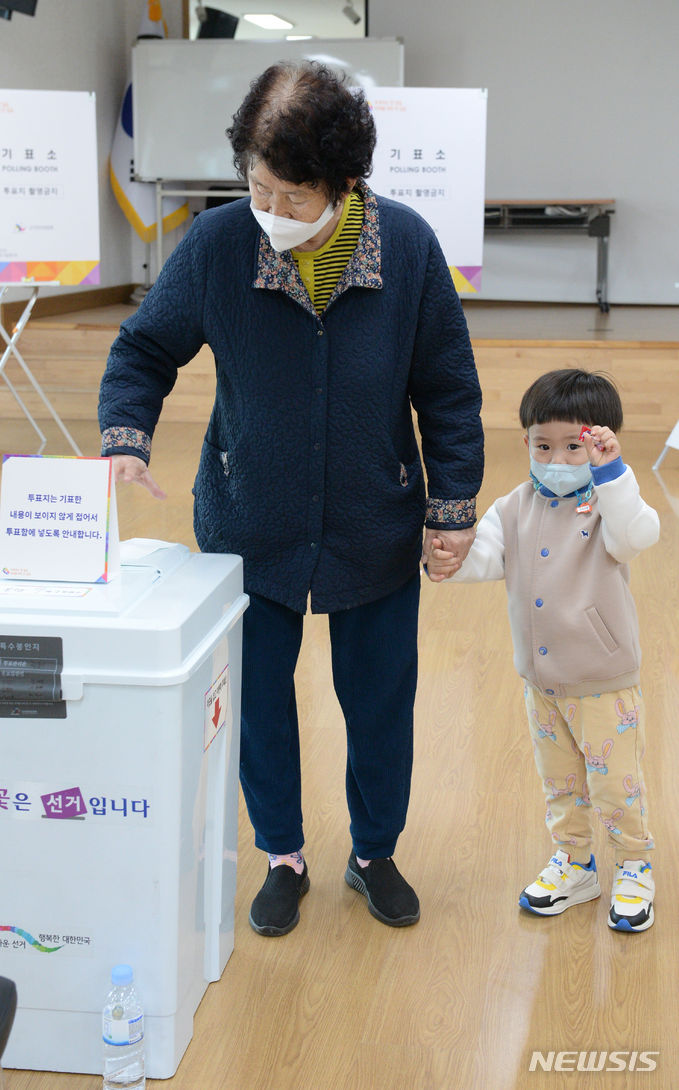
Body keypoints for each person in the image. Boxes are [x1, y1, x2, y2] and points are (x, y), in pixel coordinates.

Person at [98, 61, 484, 936]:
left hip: (373, 520)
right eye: (256, 185)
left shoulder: (410, 249)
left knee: (379, 699)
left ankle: (372, 852)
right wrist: (126, 438)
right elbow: (141, 350)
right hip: (248, 518)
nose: (269, 209)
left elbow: (449, 394)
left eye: (292, 195)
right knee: (258, 699)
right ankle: (281, 852)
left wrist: (450, 509)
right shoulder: (217, 245)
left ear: (345, 185)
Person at [426, 368, 659, 931]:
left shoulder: (610, 500)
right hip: (542, 682)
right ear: (526, 443)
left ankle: (633, 865)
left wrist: (613, 474)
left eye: (573, 446)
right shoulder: (514, 505)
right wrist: (439, 555)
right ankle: (576, 861)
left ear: (598, 443)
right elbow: (482, 558)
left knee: (614, 782)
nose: (557, 457)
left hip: (603, 680)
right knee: (561, 782)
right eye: (543, 445)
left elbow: (638, 535)